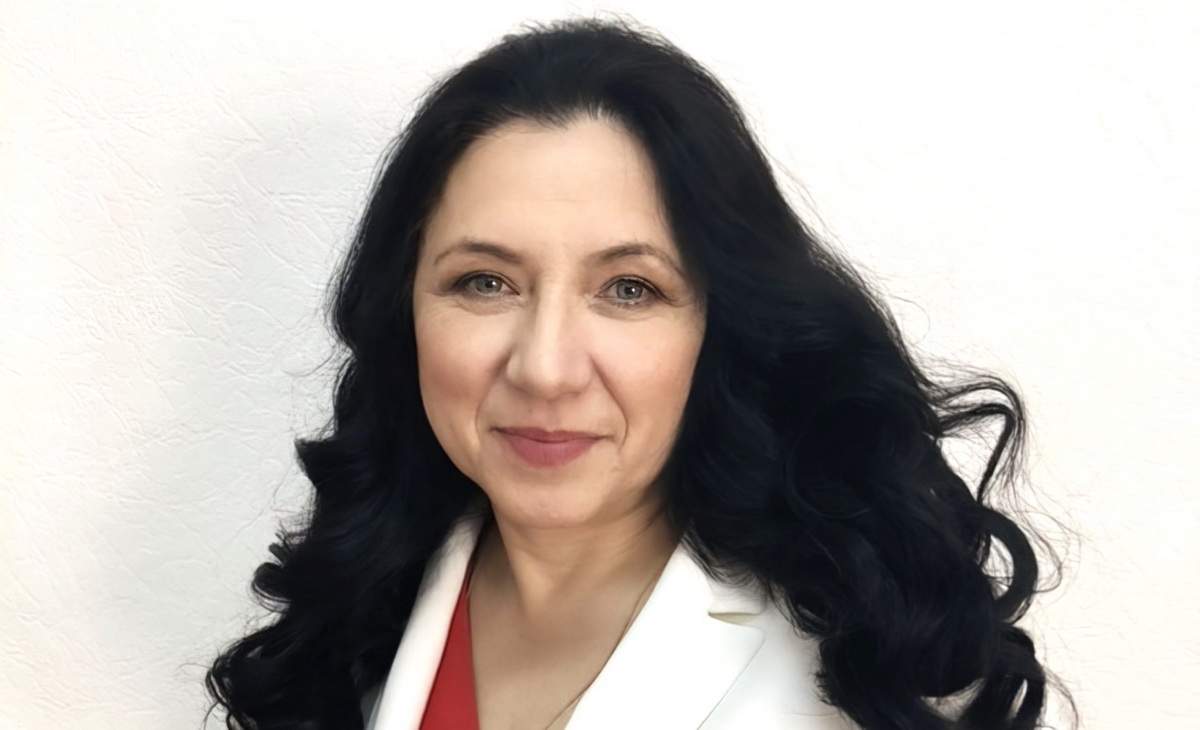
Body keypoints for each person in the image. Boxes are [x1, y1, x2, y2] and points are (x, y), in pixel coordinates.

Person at [205, 16, 1072, 730]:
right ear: (406, 313)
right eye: (485, 282)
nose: (546, 368)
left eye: (629, 289)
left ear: (719, 326)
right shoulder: (357, 623)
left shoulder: (864, 685)